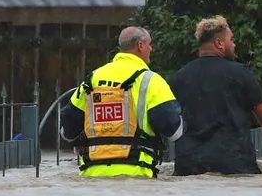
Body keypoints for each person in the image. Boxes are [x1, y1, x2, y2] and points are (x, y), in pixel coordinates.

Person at [167, 16, 262, 176]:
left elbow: (168, 118)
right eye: (231, 40)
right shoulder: (239, 73)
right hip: (234, 164)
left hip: (189, 166)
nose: (234, 44)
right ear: (219, 43)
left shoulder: (178, 78)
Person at [59, 26, 182, 177]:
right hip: (137, 175)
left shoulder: (92, 78)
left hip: (91, 177)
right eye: (150, 44)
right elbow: (175, 131)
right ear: (140, 46)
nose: (151, 48)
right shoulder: (151, 81)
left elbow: (67, 132)